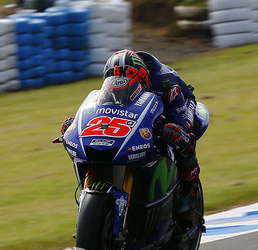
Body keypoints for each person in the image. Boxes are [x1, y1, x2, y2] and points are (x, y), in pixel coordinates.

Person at [59, 49, 202, 224]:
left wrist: (178, 130)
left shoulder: (165, 83)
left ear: (142, 79)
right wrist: (77, 124)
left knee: (182, 138)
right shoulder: (109, 89)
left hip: (180, 103)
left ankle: (190, 192)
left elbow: (178, 116)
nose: (122, 90)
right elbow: (106, 110)